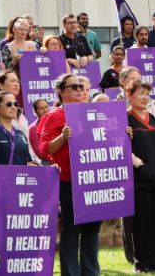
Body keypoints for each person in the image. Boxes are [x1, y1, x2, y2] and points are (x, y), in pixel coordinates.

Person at [39, 74, 101, 276]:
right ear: (61, 91)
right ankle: (71, 272)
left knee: (92, 228)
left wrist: (123, 134)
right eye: (75, 87)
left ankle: (91, 272)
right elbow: (45, 149)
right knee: (72, 229)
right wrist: (63, 137)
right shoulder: (53, 115)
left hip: (94, 179)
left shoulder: (95, 112)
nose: (81, 90)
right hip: (69, 181)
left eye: (84, 87)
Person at [127, 81, 155, 273]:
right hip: (140, 177)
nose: (145, 97)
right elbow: (121, 147)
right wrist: (139, 164)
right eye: (140, 93)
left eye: (147, 94)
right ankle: (142, 263)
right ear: (129, 95)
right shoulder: (125, 118)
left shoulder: (153, 117)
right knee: (142, 221)